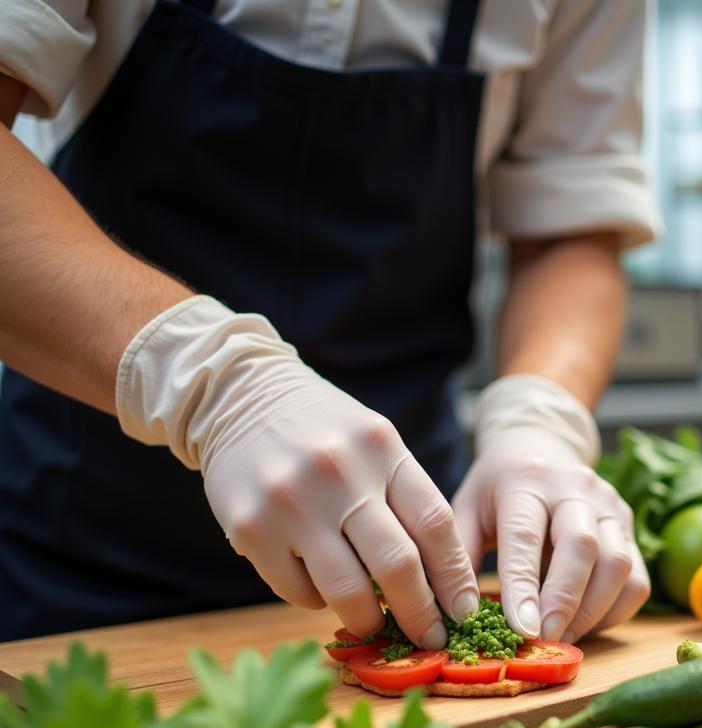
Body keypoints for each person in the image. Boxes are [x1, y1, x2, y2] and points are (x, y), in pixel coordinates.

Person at [0, 0, 656, 647]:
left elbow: (570, 233)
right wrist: (218, 387)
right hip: (85, 549)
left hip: (402, 563)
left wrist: (538, 421)